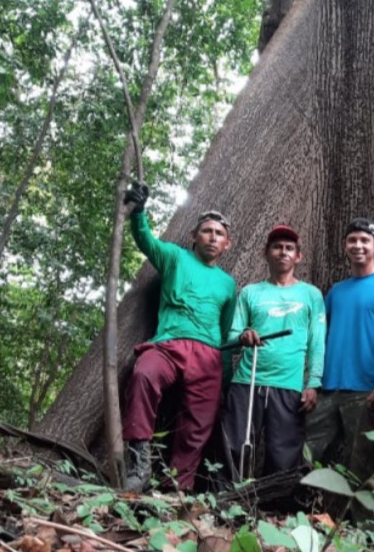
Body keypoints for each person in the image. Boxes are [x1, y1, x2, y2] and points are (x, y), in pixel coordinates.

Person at [120, 183, 237, 492]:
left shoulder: (228, 284)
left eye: (219, 234)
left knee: (199, 423)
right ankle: (138, 463)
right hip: (168, 343)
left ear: (227, 244)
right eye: (207, 231)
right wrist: (139, 212)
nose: (212, 237)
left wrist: (224, 376)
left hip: (209, 354)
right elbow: (146, 241)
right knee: (143, 375)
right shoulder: (175, 257)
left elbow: (225, 331)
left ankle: (176, 488)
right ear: (194, 236)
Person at [223, 224, 326, 477]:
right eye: (277, 247)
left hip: (289, 385)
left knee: (284, 454)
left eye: (289, 248)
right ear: (265, 252)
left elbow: (317, 341)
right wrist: (244, 336)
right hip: (247, 380)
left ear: (298, 256)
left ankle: (278, 509)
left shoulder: (311, 294)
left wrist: (313, 382)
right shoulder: (250, 292)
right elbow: (232, 336)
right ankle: (226, 504)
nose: (283, 252)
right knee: (234, 447)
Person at [305, 218, 374, 481]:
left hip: (366, 389)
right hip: (328, 388)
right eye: (352, 240)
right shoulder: (336, 291)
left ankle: (365, 522)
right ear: (345, 246)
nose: (358, 245)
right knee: (305, 452)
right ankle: (295, 510)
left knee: (363, 461)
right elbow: (319, 336)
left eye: (364, 240)